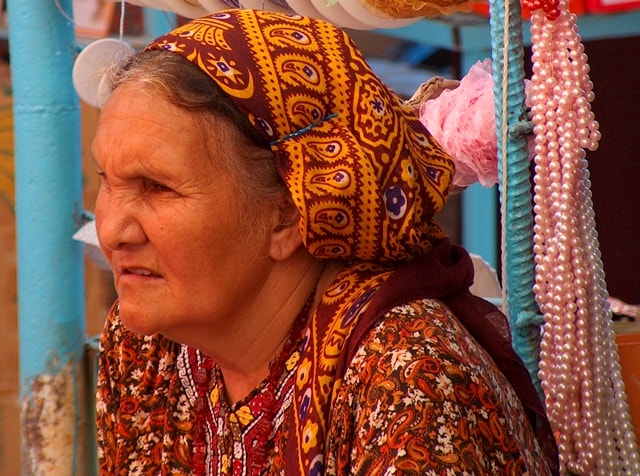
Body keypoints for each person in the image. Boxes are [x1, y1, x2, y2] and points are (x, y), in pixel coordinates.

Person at [78, 9, 559, 475]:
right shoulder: (150, 343)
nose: (114, 231)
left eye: (158, 188)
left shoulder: (409, 381)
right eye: (107, 180)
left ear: (288, 212)